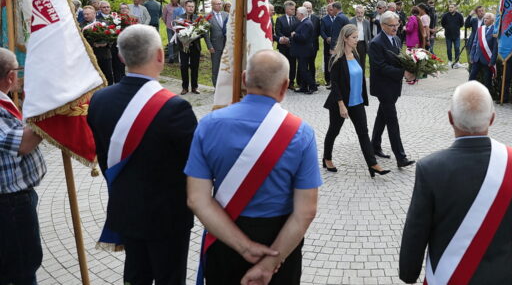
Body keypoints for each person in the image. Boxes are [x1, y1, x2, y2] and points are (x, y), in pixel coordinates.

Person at [185, 50, 321, 285]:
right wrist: (269, 264)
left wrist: (244, 247)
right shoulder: (301, 133)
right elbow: (305, 211)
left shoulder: (208, 124)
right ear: (285, 86)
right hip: (280, 243)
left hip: (224, 237)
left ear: (245, 78)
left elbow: (197, 200)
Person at [87, 25, 197, 285]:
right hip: (168, 218)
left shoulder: (99, 100)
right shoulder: (176, 108)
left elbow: (104, 157)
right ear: (160, 55)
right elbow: (195, 165)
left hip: (125, 208)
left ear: (121, 57)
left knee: (135, 275)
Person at [399, 81, 512, 284]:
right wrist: (505, 266)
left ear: (450, 118)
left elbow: (416, 231)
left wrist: (409, 273)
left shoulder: (430, 168)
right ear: (493, 118)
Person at [0, 48, 45, 285]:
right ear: (10, 76)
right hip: (10, 203)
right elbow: (24, 143)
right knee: (21, 269)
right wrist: (51, 115)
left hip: (14, 200)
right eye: (18, 70)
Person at [322, 24, 390, 177]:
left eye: (357, 36)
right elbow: (335, 85)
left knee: (363, 133)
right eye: (353, 37)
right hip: (341, 103)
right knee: (334, 131)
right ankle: (327, 158)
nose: (357, 40)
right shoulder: (337, 58)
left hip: (357, 102)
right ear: (345, 39)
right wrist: (341, 105)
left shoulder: (357, 54)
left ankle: (373, 164)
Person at [368, 11, 416, 168]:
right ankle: (401, 158)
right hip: (383, 87)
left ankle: (374, 145)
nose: (396, 28)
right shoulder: (375, 43)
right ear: (382, 25)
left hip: (393, 85)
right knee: (392, 121)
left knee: (382, 116)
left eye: (397, 25)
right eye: (392, 25)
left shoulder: (396, 39)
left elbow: (398, 60)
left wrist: (414, 67)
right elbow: (380, 67)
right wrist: (403, 73)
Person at [175, 0, 213, 94]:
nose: (191, 8)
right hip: (184, 46)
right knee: (184, 66)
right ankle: (185, 87)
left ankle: (194, 87)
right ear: (185, 7)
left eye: (192, 6)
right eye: (189, 6)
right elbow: (177, 32)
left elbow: (204, 33)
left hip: (195, 46)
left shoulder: (199, 19)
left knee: (195, 67)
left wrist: (209, 46)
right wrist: (184, 41)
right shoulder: (179, 18)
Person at [81, 5, 114, 85]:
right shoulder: (81, 26)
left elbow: (113, 36)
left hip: (105, 54)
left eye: (87, 14)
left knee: (108, 76)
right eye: (84, 14)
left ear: (94, 14)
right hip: (91, 56)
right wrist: (93, 44)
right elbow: (81, 40)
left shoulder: (104, 23)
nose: (85, 16)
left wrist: (106, 43)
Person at [468, 13, 498, 92]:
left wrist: (492, 61)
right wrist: (472, 56)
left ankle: (487, 96)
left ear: (492, 20)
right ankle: (468, 93)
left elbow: (495, 48)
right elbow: (475, 43)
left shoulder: (495, 30)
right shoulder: (480, 29)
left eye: (487, 18)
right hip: (477, 58)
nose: (485, 19)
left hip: (487, 59)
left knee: (487, 79)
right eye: (484, 18)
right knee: (472, 77)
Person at [290, 7, 316, 94]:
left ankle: (313, 86)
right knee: (302, 69)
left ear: (301, 14)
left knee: (304, 70)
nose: (296, 15)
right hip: (303, 51)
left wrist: (294, 35)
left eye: (297, 13)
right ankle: (304, 87)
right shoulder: (304, 22)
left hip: (304, 51)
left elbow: (303, 38)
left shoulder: (306, 23)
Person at [98, 1, 125, 83]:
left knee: (118, 68)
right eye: (104, 7)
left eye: (108, 7)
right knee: (107, 71)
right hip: (104, 47)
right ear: (100, 9)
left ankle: (119, 85)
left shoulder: (116, 17)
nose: (106, 9)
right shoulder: (97, 18)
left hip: (116, 46)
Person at [274, 1, 299, 90]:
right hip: (283, 46)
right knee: (283, 65)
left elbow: (297, 31)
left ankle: (291, 82)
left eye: (294, 9)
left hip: (292, 45)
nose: (294, 11)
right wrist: (283, 38)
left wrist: (289, 39)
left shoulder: (296, 19)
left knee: (292, 64)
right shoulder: (280, 19)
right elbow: (278, 31)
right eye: (292, 9)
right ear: (287, 9)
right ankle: (282, 83)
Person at [207, 0, 228, 86]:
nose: (219, 5)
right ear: (212, 5)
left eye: (220, 3)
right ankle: (216, 86)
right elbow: (205, 33)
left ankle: (225, 85)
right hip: (215, 46)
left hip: (226, 45)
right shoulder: (208, 16)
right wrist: (209, 46)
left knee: (226, 66)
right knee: (215, 67)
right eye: (216, 4)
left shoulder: (226, 15)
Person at [303, 1, 321, 85]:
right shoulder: (299, 18)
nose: (308, 9)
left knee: (311, 64)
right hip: (303, 46)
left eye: (309, 8)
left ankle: (312, 81)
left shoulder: (316, 18)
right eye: (306, 7)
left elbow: (318, 32)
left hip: (313, 46)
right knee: (303, 65)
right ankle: (303, 83)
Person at [350, 5, 372, 70]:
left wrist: (369, 45)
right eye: (358, 12)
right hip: (354, 44)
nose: (360, 14)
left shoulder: (367, 22)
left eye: (361, 12)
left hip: (363, 44)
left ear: (363, 13)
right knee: (354, 62)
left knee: (362, 62)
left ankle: (362, 78)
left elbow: (369, 35)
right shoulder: (351, 21)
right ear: (355, 13)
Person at [163, 0, 181, 64]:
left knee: (178, 42)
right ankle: (171, 57)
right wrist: (167, 24)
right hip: (169, 28)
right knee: (171, 43)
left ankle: (177, 57)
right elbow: (164, 17)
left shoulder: (180, 7)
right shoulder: (166, 7)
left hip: (178, 28)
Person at [321, 4, 334, 87]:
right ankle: (328, 80)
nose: (331, 11)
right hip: (327, 44)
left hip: (336, 43)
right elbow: (322, 31)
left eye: (333, 9)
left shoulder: (338, 18)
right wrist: (326, 38)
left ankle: (335, 79)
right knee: (327, 61)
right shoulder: (324, 19)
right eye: (330, 10)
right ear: (327, 10)